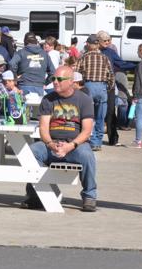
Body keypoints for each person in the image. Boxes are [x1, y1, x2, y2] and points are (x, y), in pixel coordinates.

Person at [23, 65, 98, 212]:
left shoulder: (84, 100)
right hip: (51, 144)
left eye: (59, 79)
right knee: (31, 152)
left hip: (75, 146)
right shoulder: (48, 99)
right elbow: (43, 128)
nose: (55, 82)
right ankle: (36, 194)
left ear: (71, 81)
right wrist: (51, 144)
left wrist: (70, 146)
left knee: (87, 155)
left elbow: (87, 131)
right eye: (53, 79)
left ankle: (90, 195)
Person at [77, 34, 115, 152]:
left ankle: (85, 138)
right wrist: (108, 87)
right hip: (102, 87)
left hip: (88, 86)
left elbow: (77, 73)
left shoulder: (84, 57)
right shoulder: (105, 58)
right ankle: (97, 142)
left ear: (88, 44)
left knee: (86, 115)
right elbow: (111, 75)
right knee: (100, 117)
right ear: (97, 44)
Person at [9, 32, 52, 99]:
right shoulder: (45, 54)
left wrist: (15, 78)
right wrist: (45, 83)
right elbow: (53, 72)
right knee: (37, 108)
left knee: (23, 108)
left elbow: (12, 64)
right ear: (35, 42)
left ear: (25, 42)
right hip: (39, 87)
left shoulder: (21, 52)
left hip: (24, 85)